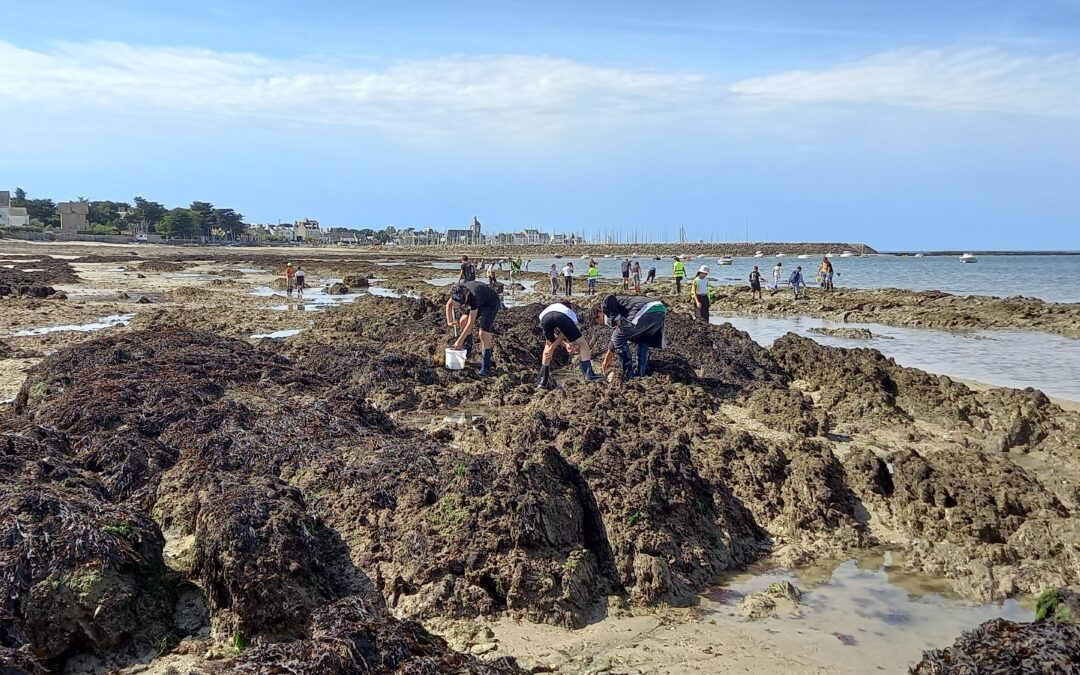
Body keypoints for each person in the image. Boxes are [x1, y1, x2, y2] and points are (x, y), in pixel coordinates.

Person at [596, 294, 667, 379]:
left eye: (598, 322)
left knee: (618, 337)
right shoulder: (620, 310)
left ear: (600, 314)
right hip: (660, 309)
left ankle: (628, 375)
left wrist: (616, 317)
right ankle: (641, 373)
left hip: (646, 309)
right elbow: (614, 341)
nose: (602, 324)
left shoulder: (606, 307)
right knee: (642, 338)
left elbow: (609, 297)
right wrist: (606, 360)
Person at [536, 302, 605, 388]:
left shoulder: (547, 311)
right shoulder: (573, 316)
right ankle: (589, 375)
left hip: (545, 317)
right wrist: (557, 347)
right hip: (561, 317)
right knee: (582, 344)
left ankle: (543, 381)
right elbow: (564, 333)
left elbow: (554, 337)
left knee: (548, 344)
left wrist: (563, 345)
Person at [446, 281, 501, 376]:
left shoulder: (473, 297)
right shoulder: (456, 292)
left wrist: (459, 340)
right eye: (458, 304)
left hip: (491, 302)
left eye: (462, 303)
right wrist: (449, 320)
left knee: (483, 333)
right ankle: (468, 348)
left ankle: (485, 367)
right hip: (480, 299)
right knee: (463, 320)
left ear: (466, 295)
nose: (460, 305)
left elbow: (470, 323)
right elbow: (448, 305)